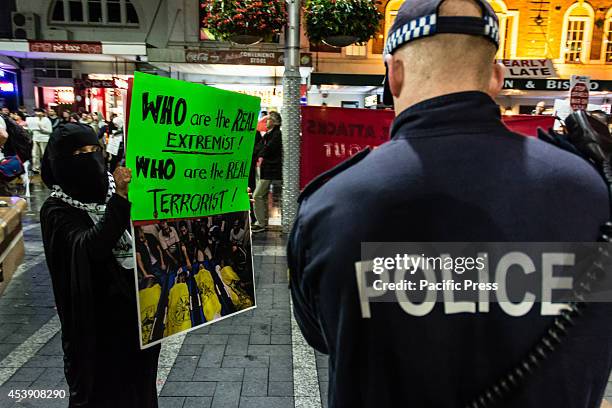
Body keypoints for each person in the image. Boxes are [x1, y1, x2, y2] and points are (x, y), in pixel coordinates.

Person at [288, 0, 612, 407]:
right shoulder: (587, 191)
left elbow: (320, 334)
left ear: (394, 73)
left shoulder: (331, 202)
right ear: (496, 77)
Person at [40, 122, 159, 407]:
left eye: (94, 149)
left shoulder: (115, 191)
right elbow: (90, 247)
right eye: (79, 152)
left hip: (134, 320)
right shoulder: (57, 210)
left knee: (139, 389)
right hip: (93, 330)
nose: (89, 158)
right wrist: (119, 199)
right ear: (59, 161)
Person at [252, 111, 282, 232]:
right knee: (261, 196)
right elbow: (259, 148)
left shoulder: (276, 135)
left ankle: (261, 223)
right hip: (266, 169)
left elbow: (266, 149)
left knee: (257, 195)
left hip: (271, 170)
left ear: (274, 122)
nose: (266, 121)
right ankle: (262, 222)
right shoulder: (268, 135)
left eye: (268, 119)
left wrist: (259, 153)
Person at [27, 108, 53, 173]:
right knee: (35, 154)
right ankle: (36, 168)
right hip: (35, 139)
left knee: (44, 154)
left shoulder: (46, 120)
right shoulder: (33, 120)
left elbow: (50, 131)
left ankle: (47, 168)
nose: (37, 113)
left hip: (44, 139)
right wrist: (29, 128)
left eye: (39, 112)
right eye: (36, 112)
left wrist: (42, 129)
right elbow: (31, 130)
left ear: (43, 113)